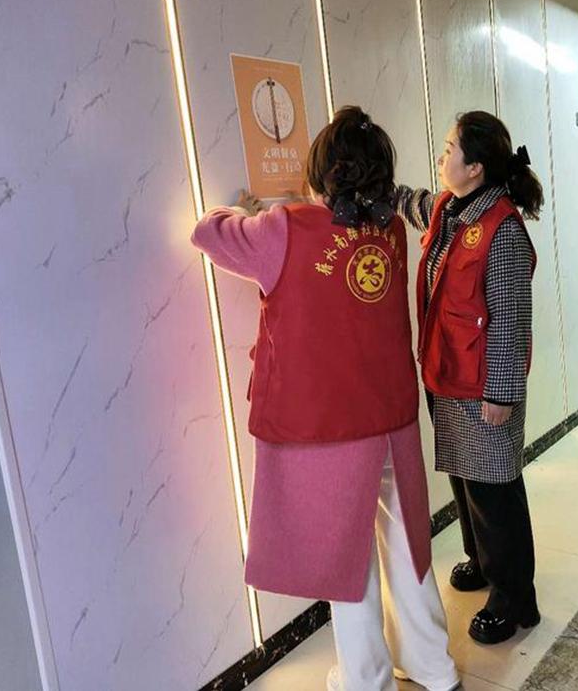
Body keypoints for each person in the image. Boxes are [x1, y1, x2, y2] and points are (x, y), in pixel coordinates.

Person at [191, 106, 459, 691]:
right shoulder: (389, 230)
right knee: (408, 544)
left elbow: (208, 231)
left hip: (332, 426)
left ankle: (365, 679)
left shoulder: (284, 228)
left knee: (347, 560)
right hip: (392, 416)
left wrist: (246, 211)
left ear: (320, 172)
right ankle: (433, 665)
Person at [391, 110, 541, 645]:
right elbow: (414, 202)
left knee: (494, 492)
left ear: (475, 167)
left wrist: (501, 393)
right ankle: (481, 561)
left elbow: (510, 320)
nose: (442, 156)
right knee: (465, 480)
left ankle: (514, 601)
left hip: (483, 389)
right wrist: (374, 188)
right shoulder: (450, 210)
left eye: (450, 149)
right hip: (448, 376)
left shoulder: (502, 230)